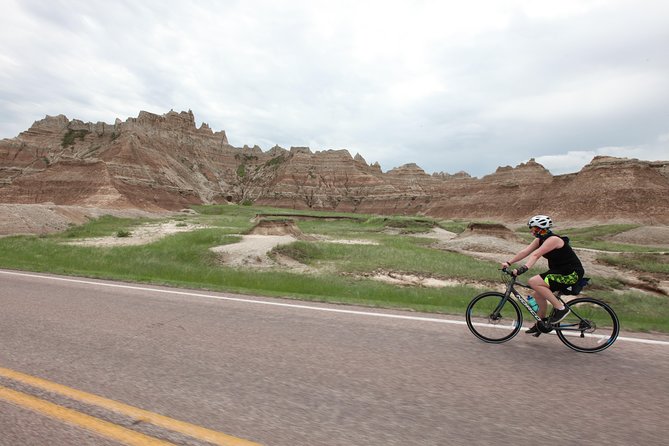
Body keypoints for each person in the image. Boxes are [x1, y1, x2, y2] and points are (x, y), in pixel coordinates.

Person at [501, 215, 585, 335]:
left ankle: (561, 309)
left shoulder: (553, 240)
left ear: (541, 228)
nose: (531, 231)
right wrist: (509, 262)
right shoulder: (540, 240)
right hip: (559, 271)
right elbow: (525, 252)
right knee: (537, 295)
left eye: (533, 228)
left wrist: (523, 268)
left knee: (534, 281)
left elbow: (536, 255)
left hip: (571, 273)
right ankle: (541, 324)